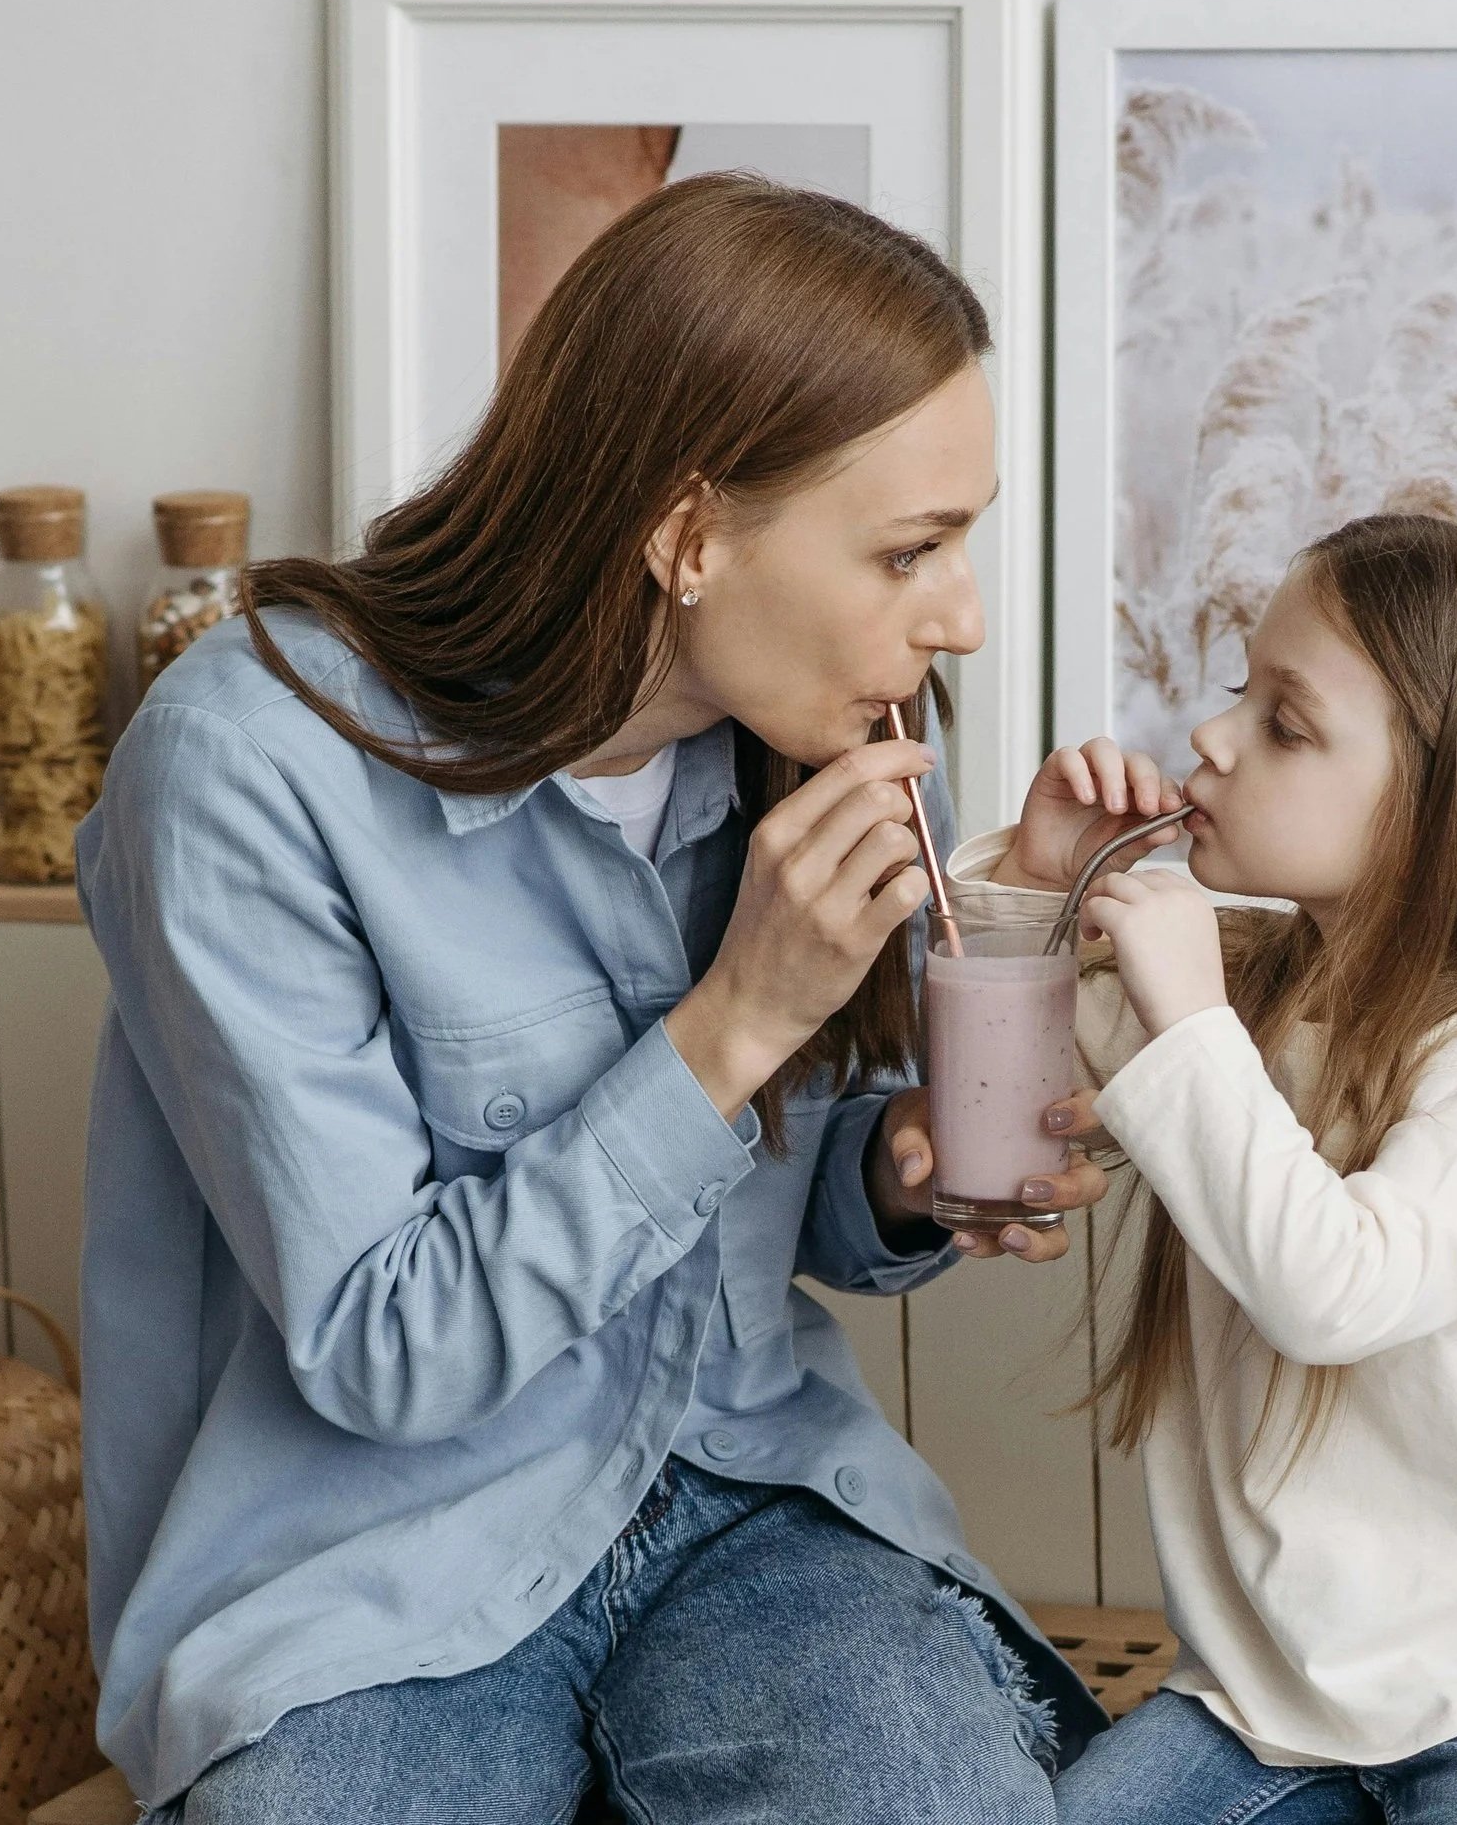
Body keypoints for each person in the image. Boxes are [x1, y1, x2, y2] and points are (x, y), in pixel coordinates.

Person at [75, 175, 1110, 1821]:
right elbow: (377, 1351)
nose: (964, 615)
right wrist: (732, 1024)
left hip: (749, 1493)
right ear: (689, 531)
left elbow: (790, 1198)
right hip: (366, 1565)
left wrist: (898, 1167)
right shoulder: (242, 766)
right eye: (912, 550)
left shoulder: (819, 721)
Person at [953, 514, 1457, 1823]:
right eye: (1236, 697)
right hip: (1260, 1713)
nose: (1211, 741)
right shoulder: (1249, 1013)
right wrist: (1041, 881)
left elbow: (1334, 1289)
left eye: (1286, 723)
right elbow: (1016, 1086)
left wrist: (1191, 1017)